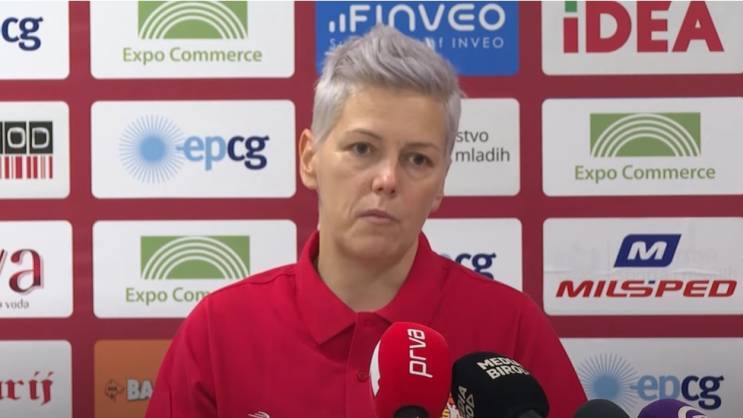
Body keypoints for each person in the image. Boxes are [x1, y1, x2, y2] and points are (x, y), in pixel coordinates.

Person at [146, 25, 586, 418]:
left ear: (441, 183)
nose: (387, 179)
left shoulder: (512, 328)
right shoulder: (218, 331)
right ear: (309, 158)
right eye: (362, 149)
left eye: (417, 159)